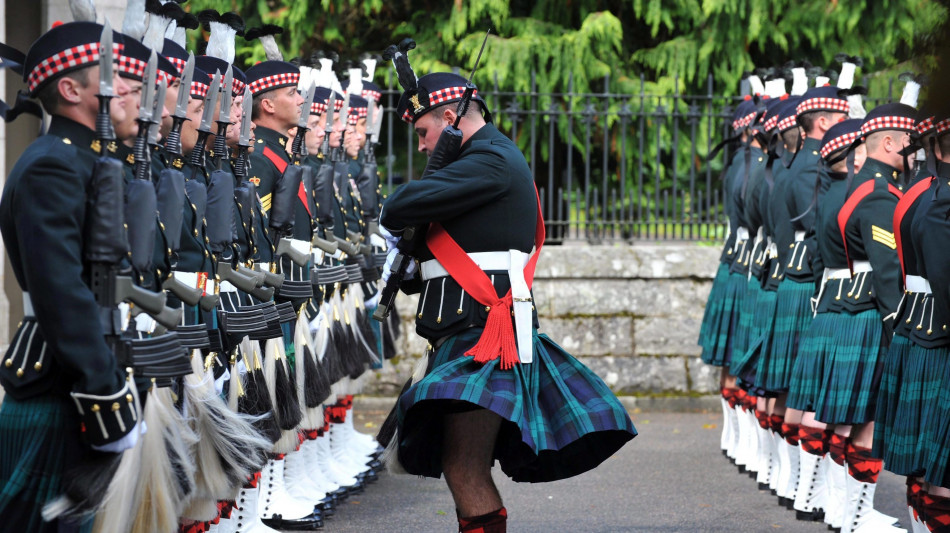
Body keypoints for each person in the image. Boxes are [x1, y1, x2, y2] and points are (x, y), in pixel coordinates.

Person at [379, 70, 636, 533]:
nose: (420, 146)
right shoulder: (478, 160)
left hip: (482, 335)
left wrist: (416, 204)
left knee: (464, 466)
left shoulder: (489, 160)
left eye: (423, 132)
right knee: (462, 464)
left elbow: (397, 207)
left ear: (450, 116)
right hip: (465, 331)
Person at [0, 21, 140, 532]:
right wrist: (105, 387)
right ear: (71, 90)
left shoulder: (82, 160)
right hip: (63, 387)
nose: (128, 90)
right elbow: (62, 292)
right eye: (114, 79)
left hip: (78, 378)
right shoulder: (51, 166)